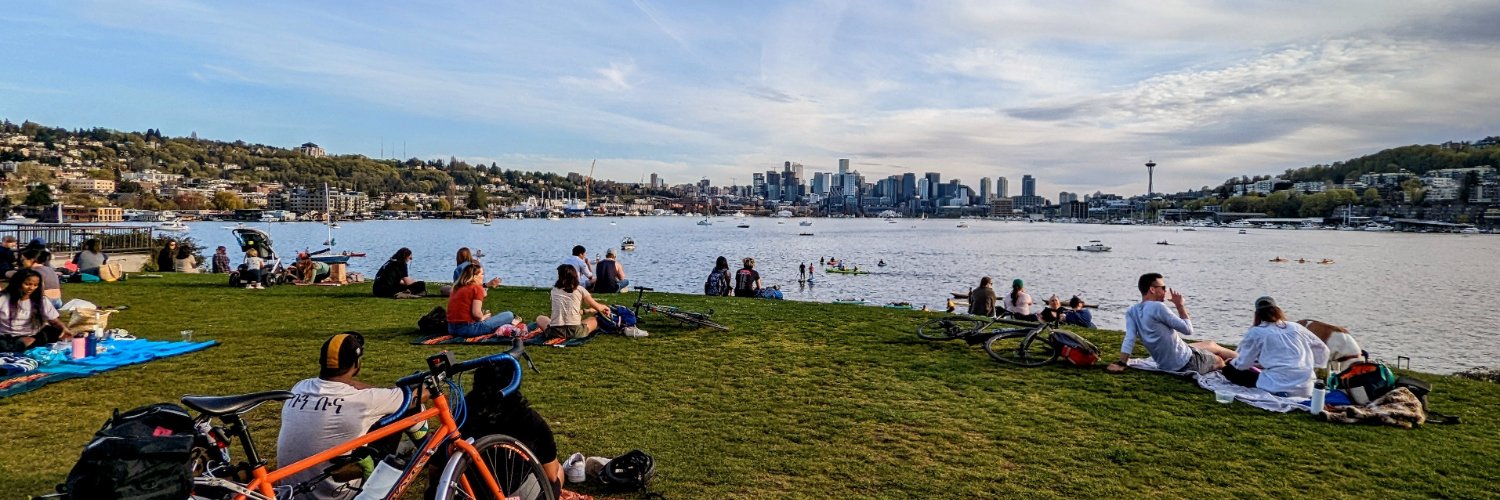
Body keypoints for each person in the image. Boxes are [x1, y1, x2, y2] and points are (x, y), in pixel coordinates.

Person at [276, 332, 408, 498]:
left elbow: (347, 385)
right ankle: (433, 459)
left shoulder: (299, 387)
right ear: (357, 364)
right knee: (406, 411)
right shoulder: (363, 401)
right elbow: (416, 396)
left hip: (292, 492)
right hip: (336, 494)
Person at [461, 355, 562, 495]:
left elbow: (436, 470)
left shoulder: (460, 416)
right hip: (516, 492)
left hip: (466, 492)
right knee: (557, 474)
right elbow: (551, 476)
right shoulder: (531, 419)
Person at [1107, 273, 1237, 374]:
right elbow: (1188, 330)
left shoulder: (1132, 311)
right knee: (1219, 360)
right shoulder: (1158, 307)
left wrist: (1121, 363)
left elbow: (1129, 338)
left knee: (1210, 344)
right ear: (1152, 289)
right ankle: (1247, 363)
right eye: (1162, 288)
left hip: (1166, 363)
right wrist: (1180, 306)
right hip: (1186, 362)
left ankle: (1246, 359)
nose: (1165, 291)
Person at [1221, 296, 1330, 398]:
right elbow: (1323, 350)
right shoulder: (1296, 327)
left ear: (1257, 314)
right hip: (1306, 387)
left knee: (1228, 370)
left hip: (1277, 385)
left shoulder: (1256, 332)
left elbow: (1243, 364)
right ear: (1278, 311)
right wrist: (1310, 365)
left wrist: (1232, 362)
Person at [0, 269, 72, 353]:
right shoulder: (3, 298)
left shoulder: (41, 300)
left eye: (35, 285)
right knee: (3, 344)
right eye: (27, 284)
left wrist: (64, 328)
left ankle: (23, 343)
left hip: (31, 334)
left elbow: (53, 320)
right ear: (17, 283)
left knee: (53, 332)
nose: (31, 288)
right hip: (5, 335)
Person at [446, 263, 517, 337]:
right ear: (475, 277)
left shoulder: (457, 288)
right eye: (482, 274)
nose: (483, 276)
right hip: (469, 329)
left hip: (451, 329)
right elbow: (476, 314)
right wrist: (483, 318)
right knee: (509, 315)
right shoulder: (476, 288)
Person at [542, 264, 610, 339]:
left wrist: (585, 311)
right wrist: (605, 307)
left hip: (555, 332)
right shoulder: (580, 289)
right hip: (575, 331)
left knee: (540, 318)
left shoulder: (554, 290)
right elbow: (597, 307)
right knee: (593, 320)